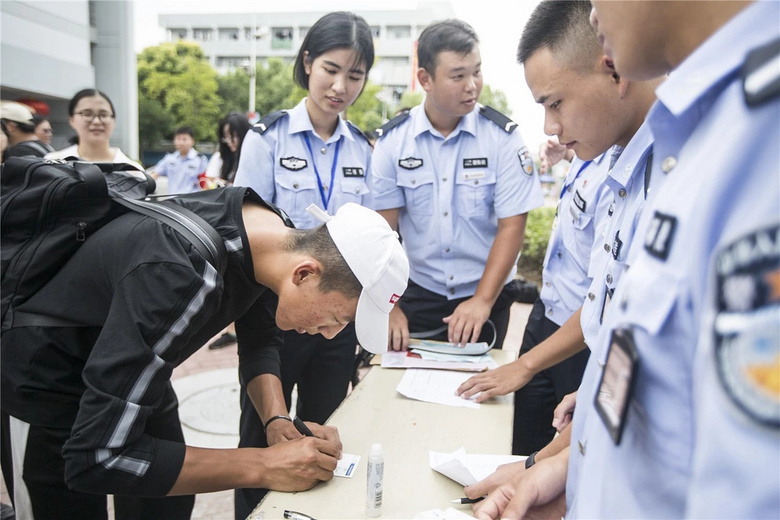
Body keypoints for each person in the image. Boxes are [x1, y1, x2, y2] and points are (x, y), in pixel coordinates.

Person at [472, 1, 780, 518]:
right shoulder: (690, 134)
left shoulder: (753, 137)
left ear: (610, 73)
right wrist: (558, 467)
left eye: (556, 103)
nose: (593, 15)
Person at [1, 186, 409, 520]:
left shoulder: (272, 237)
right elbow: (98, 456)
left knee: (166, 503)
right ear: (305, 273)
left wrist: (276, 420)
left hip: (133, 369)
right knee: (73, 501)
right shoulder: (181, 272)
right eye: (337, 317)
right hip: (46, 380)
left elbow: (261, 340)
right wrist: (265, 465)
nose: (328, 334)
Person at [456, 0, 660, 421]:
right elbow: (609, 293)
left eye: (555, 104)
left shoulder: (675, 171)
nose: (550, 126)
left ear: (614, 70)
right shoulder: (608, 153)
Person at [233, 12, 375, 518]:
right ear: (308, 62)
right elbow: (242, 232)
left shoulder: (363, 147)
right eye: (331, 69)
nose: (340, 86)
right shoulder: (267, 137)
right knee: (264, 434)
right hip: (275, 312)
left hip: (334, 320)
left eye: (355, 76)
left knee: (324, 428)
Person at [370, 19, 544, 354]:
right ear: (425, 79)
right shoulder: (394, 142)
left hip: (487, 295)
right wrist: (388, 306)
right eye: (458, 75)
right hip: (417, 292)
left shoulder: (502, 139)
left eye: (476, 72)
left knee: (477, 396)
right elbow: (383, 233)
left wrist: (481, 300)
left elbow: (512, 227)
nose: (472, 86)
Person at [44, 89, 142, 169]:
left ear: (113, 120)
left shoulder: (132, 169)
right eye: (87, 114)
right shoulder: (53, 164)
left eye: (104, 115)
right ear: (72, 120)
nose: (96, 121)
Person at [149, 126, 208, 194]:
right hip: (172, 200)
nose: (181, 143)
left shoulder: (200, 160)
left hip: (192, 201)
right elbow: (155, 174)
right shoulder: (169, 159)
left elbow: (205, 183)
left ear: (192, 141)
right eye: (178, 139)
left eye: (184, 139)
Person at [205, 111, 252, 187]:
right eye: (226, 136)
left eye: (234, 136)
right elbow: (207, 184)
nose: (229, 141)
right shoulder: (219, 157)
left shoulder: (252, 158)